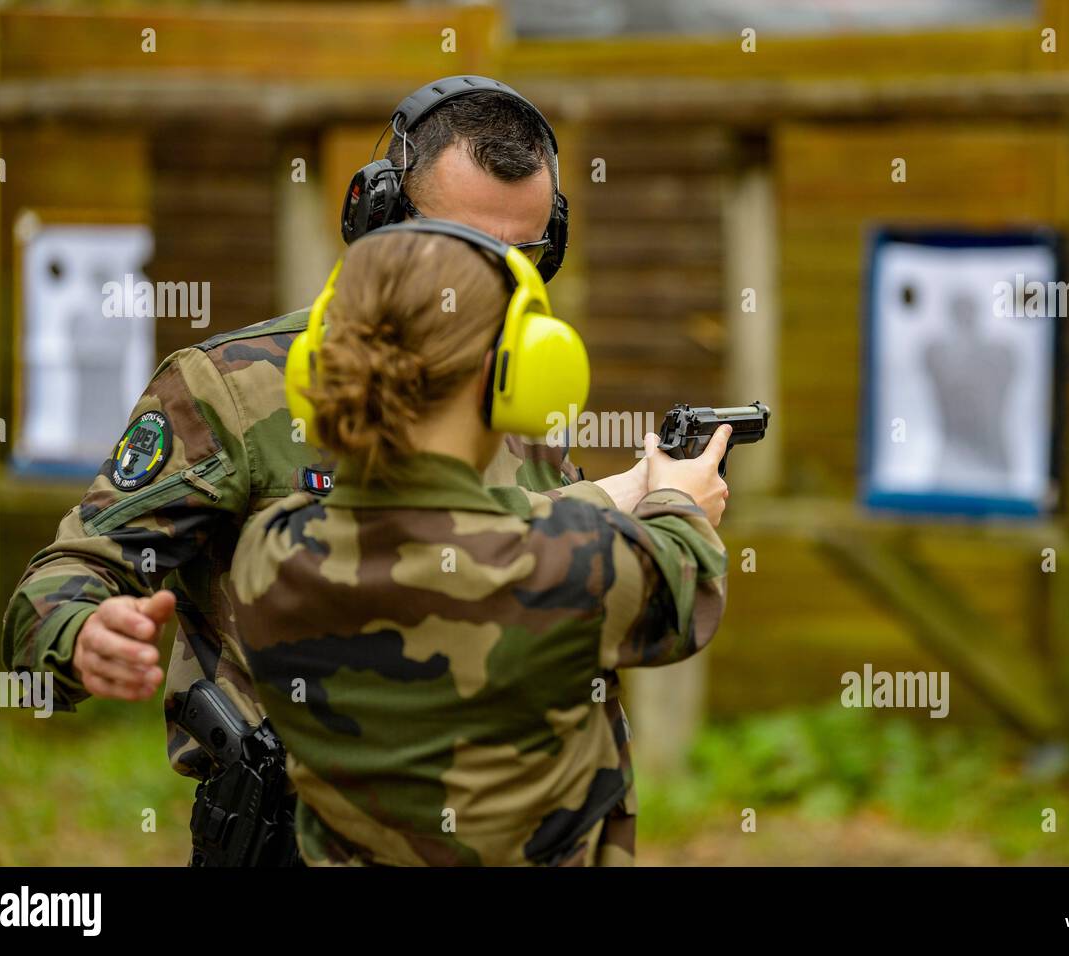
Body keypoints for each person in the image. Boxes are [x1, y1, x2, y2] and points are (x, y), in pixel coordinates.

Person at [1, 76, 652, 861]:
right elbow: (58, 581)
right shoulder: (236, 389)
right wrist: (81, 633)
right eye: (461, 251)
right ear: (379, 221)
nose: (494, 292)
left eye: (524, 260)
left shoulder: (518, 392)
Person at [228, 221, 730, 866]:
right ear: (509, 378)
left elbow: (444, 526)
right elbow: (686, 582)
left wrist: (625, 491)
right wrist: (678, 501)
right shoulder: (575, 563)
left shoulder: (271, 550)